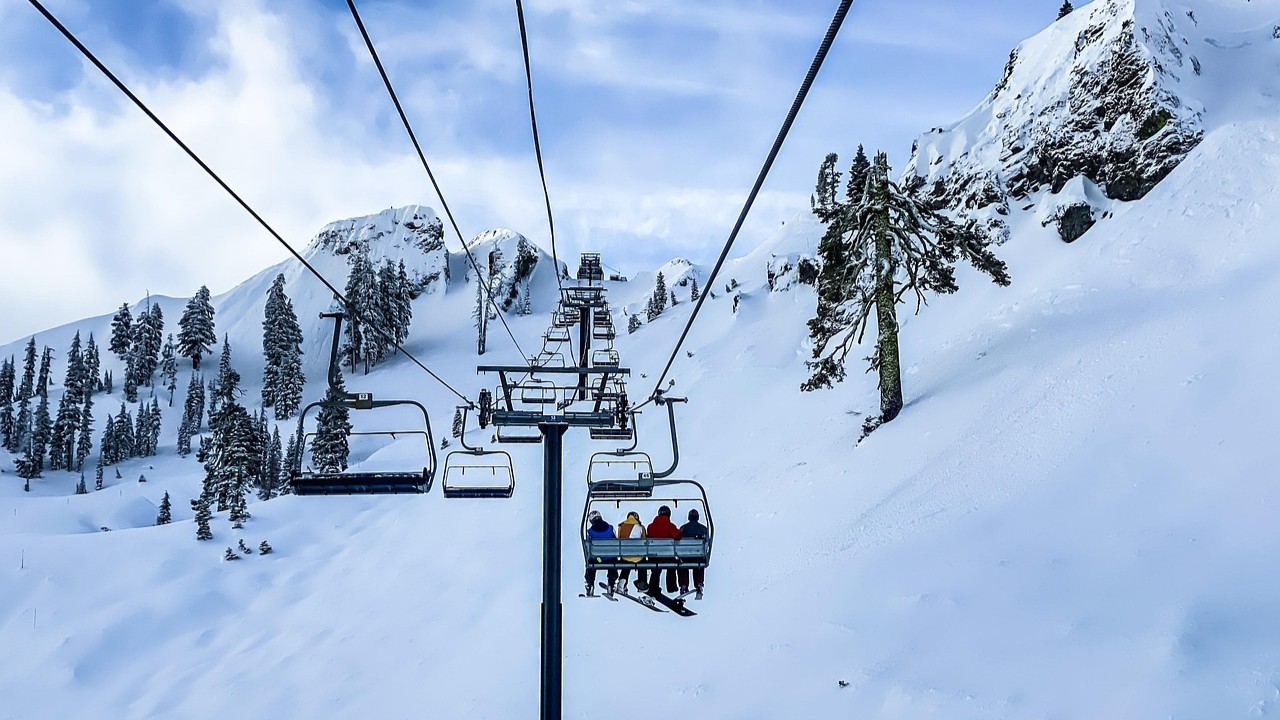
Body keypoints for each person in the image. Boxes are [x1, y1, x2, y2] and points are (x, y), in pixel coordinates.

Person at [645, 505, 682, 596]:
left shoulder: (650, 526)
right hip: (668, 556)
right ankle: (671, 587)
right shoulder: (670, 526)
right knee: (672, 567)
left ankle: (653, 588)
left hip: (654, 557)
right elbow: (677, 536)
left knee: (656, 571)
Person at [584, 510, 618, 596]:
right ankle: (611, 583)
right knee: (612, 560)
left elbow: (588, 547)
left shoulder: (590, 532)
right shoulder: (610, 528)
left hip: (598, 559)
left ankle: (590, 583)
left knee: (591, 561)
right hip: (610, 559)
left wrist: (597, 557)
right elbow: (615, 542)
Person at [677, 508, 709, 596]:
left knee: (682, 566)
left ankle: (684, 585)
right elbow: (707, 542)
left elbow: (678, 539)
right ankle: (699, 583)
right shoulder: (703, 529)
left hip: (685, 557)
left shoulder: (683, 528)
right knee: (699, 565)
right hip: (698, 556)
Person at [614, 510, 647, 593]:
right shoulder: (641, 527)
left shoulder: (621, 526)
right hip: (638, 557)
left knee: (626, 562)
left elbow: (619, 540)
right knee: (642, 562)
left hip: (625, 556)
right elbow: (644, 541)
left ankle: (622, 583)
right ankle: (641, 584)